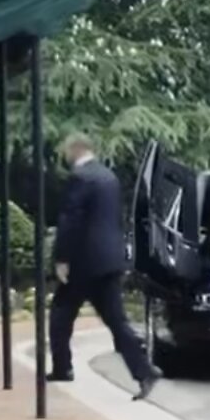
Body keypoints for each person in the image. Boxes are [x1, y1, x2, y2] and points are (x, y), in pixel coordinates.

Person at [49, 132, 159, 400]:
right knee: (117, 321)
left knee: (60, 316)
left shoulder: (80, 177)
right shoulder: (109, 177)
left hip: (83, 262)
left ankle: (63, 367)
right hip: (109, 260)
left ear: (75, 149)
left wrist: (62, 258)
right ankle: (143, 371)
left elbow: (71, 220)